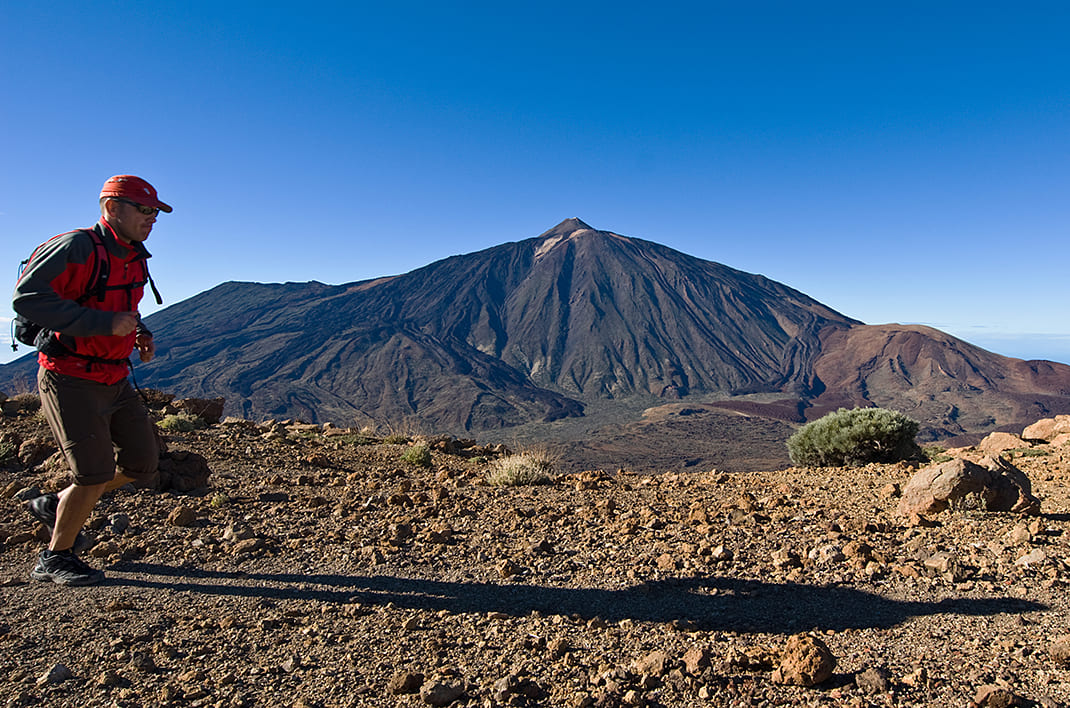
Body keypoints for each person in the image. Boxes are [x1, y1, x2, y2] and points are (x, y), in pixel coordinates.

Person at [12, 174, 171, 586]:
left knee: (142, 462)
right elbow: (27, 299)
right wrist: (103, 324)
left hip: (115, 377)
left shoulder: (133, 255)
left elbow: (123, 308)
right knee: (93, 473)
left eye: (155, 211)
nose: (151, 219)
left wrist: (139, 333)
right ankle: (55, 557)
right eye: (145, 209)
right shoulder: (76, 247)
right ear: (111, 208)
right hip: (70, 377)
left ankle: (56, 504)